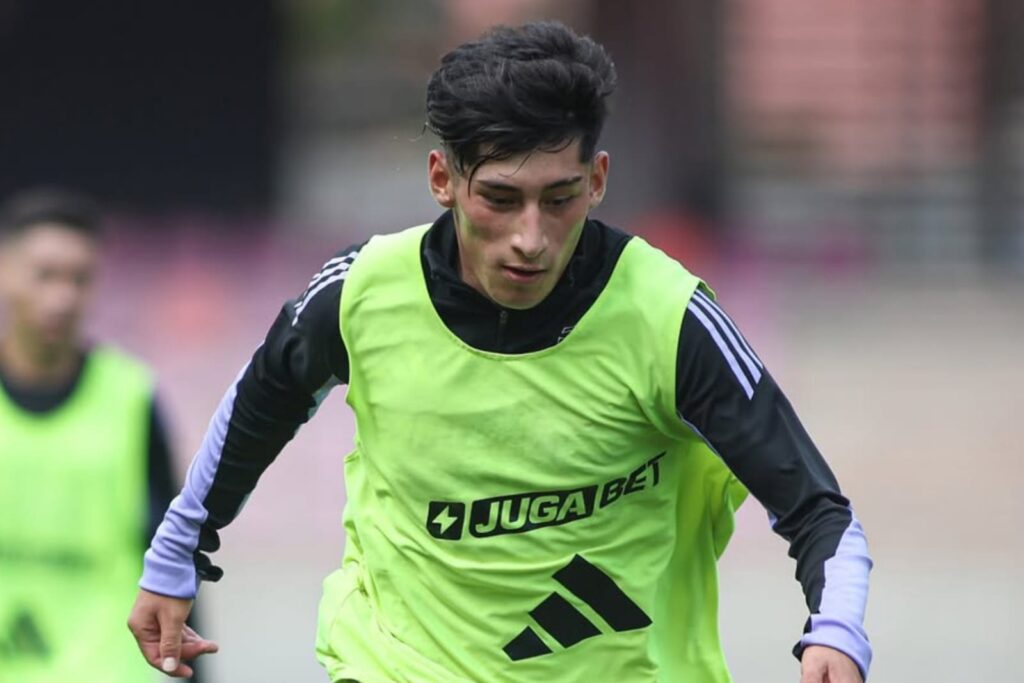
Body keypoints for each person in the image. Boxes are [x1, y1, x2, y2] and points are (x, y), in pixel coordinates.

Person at [129, 21, 872, 683]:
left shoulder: (667, 316)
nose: (530, 237)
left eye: (560, 198)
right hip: (397, 663)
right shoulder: (362, 292)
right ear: (442, 180)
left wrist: (835, 629)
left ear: (599, 180)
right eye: (500, 198)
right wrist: (173, 556)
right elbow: (260, 404)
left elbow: (819, 511)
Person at [0, 188, 208, 682]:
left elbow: (174, 551)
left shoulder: (131, 398)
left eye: (80, 279)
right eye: (46, 274)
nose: (63, 296)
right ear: (5, 271)